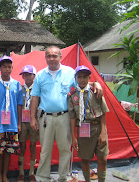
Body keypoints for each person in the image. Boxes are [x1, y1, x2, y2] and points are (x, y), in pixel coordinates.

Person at [30, 46, 103, 182]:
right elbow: (34, 97)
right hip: (45, 118)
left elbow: (82, 83)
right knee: (45, 150)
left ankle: (63, 177)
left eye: (54, 56)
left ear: (60, 57)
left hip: (65, 117)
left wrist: (96, 83)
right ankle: (43, 177)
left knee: (65, 149)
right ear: (45, 58)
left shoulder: (69, 72)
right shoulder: (40, 75)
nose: (51, 59)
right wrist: (33, 118)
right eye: (49, 56)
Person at [68, 65, 109, 182]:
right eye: (79, 77)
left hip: (97, 128)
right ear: (75, 78)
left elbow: (103, 113)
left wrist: (103, 132)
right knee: (85, 159)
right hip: (83, 130)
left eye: (85, 76)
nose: (82, 79)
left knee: (102, 158)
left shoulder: (96, 92)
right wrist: (73, 137)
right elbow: (72, 117)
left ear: (89, 77)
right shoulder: (72, 96)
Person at [0, 55, 23, 182]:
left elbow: (19, 105)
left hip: (12, 124)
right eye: (4, 67)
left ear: (12, 68)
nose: (7, 69)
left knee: (8, 150)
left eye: (9, 67)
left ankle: (5, 175)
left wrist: (19, 123)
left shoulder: (17, 85)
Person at [17, 65, 38, 182]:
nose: (26, 76)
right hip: (23, 122)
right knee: (22, 146)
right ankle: (21, 172)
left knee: (33, 146)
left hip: (34, 121)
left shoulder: (38, 89)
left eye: (29, 74)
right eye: (24, 74)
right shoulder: (20, 88)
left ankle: (31, 172)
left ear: (34, 76)